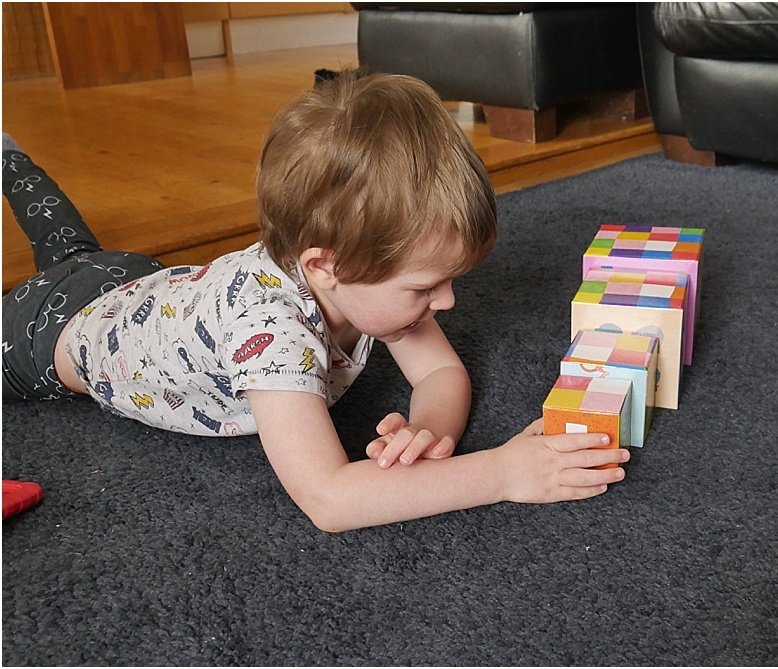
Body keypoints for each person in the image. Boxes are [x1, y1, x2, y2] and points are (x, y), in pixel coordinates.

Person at [1, 71, 629, 532]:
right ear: (324, 266)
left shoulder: (358, 275)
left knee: (70, 249)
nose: (448, 301)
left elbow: (441, 372)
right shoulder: (270, 335)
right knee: (64, 262)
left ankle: (12, 161)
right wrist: (503, 472)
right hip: (43, 336)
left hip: (133, 283)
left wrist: (425, 435)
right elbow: (330, 500)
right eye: (423, 286)